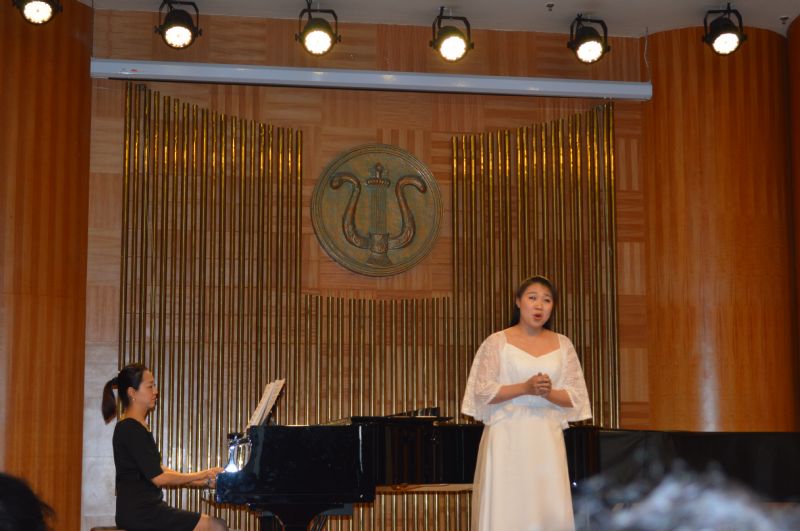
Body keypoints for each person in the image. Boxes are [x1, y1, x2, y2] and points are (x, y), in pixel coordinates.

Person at [462, 275, 592, 531]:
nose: (539, 305)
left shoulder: (563, 344)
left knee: (547, 505)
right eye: (532, 298)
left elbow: (576, 397)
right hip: (508, 435)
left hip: (546, 436)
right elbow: (482, 392)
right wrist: (524, 388)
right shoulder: (497, 341)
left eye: (547, 300)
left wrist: (547, 392)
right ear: (518, 302)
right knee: (508, 506)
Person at [101, 363, 228, 531]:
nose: (155, 391)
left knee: (217, 525)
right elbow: (159, 478)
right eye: (150, 386)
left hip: (144, 510)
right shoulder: (130, 428)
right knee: (217, 526)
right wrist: (203, 473)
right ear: (132, 392)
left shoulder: (135, 427)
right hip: (141, 512)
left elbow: (159, 470)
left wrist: (204, 481)